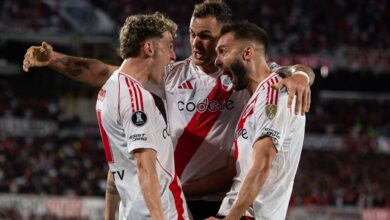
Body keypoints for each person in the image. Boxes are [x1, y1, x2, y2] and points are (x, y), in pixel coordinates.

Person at [23, 1, 313, 219]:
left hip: (221, 200)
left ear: (226, 38)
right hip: (175, 197)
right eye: (192, 34)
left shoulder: (239, 77)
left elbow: (281, 74)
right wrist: (55, 59)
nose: (196, 43)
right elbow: (107, 74)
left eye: (206, 36)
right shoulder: (172, 75)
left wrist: (303, 75)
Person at [205, 21, 306, 220]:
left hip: (248, 215)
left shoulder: (275, 93)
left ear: (248, 53)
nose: (217, 61)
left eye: (223, 51)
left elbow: (262, 166)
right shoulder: (258, 95)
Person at [95, 12, 189, 219]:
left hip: (130, 213)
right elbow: (144, 167)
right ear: (149, 48)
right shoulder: (137, 98)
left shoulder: (108, 90)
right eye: (170, 46)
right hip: (164, 212)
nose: (173, 56)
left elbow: (116, 165)